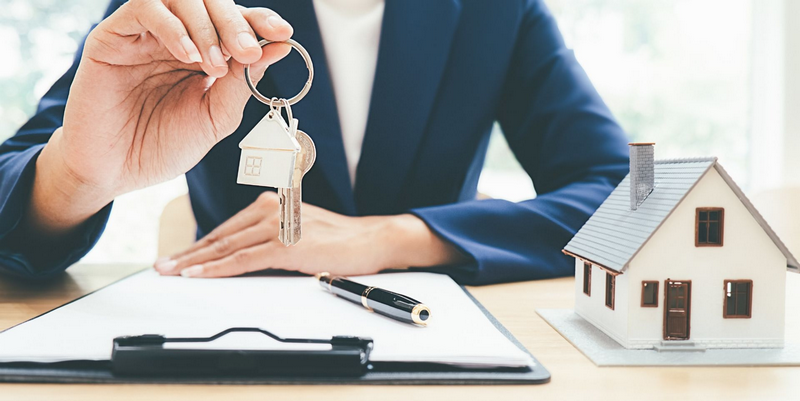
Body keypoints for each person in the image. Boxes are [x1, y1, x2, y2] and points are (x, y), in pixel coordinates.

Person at [0, 0, 628, 285]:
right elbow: (15, 181)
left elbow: (625, 201)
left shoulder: (500, 11)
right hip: (227, 341)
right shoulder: (182, 8)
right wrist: (79, 178)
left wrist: (395, 237)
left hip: (435, 339)